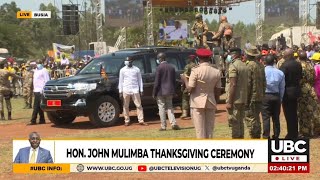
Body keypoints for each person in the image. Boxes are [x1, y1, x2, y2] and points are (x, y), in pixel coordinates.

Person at [183, 49, 221, 138]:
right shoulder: (216, 71)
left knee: (200, 131)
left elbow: (190, 89)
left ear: (198, 58)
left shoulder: (195, 70)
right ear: (209, 58)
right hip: (211, 101)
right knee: (209, 130)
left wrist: (185, 80)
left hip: (197, 102)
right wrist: (215, 99)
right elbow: (218, 90)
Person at [153, 53, 180, 131]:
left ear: (160, 59)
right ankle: (173, 123)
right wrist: (173, 90)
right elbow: (174, 81)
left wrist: (154, 92)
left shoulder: (159, 68)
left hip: (160, 92)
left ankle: (163, 126)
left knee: (161, 108)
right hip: (169, 91)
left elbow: (157, 82)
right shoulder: (171, 67)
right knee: (170, 107)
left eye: (158, 58)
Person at [226, 48, 249, 139]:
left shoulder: (233, 66)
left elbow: (233, 84)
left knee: (235, 123)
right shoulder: (244, 65)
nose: (229, 57)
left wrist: (229, 102)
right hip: (243, 98)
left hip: (235, 99)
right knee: (240, 123)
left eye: (230, 55)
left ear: (234, 55)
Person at [279, 48, 302, 139]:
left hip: (287, 92)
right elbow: (300, 76)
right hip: (296, 90)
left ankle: (291, 134)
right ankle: (295, 133)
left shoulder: (284, 65)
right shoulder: (298, 64)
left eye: (284, 54)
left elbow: (281, 78)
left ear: (286, 55)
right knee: (294, 113)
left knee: (289, 114)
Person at [118, 57, 147, 126]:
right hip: (126, 90)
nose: (127, 62)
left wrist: (141, 89)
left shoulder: (136, 69)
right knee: (125, 106)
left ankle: (141, 120)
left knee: (139, 105)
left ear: (131, 61)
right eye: (126, 61)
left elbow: (140, 80)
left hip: (135, 89)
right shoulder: (122, 70)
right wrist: (120, 91)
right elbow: (121, 81)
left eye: (128, 61)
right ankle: (127, 120)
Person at [261, 55, 285, 139]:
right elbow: (282, 87)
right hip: (276, 96)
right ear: (274, 62)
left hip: (265, 96)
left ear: (264, 62)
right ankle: (276, 135)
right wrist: (280, 98)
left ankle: (266, 136)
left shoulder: (262, 72)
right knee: (276, 118)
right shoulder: (280, 72)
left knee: (265, 117)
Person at [297, 51, 320, 138]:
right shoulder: (310, 65)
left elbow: (299, 78)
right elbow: (314, 77)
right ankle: (316, 130)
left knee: (303, 112)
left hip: (303, 90)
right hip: (311, 88)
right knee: (314, 110)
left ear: (299, 57)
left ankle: (305, 132)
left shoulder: (299, 66)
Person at [244, 47, 266, 139]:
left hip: (251, 97)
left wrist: (246, 99)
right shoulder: (260, 65)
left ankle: (254, 137)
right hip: (260, 96)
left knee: (251, 118)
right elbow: (264, 82)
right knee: (256, 118)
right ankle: (257, 135)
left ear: (248, 55)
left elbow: (248, 84)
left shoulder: (248, 66)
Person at [29, 60, 50, 125]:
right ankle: (42, 119)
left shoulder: (44, 70)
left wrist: (44, 90)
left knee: (36, 106)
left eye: (39, 63)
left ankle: (33, 120)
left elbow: (47, 80)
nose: (37, 65)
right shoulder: (36, 71)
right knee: (39, 106)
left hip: (41, 90)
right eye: (37, 63)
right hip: (36, 90)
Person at [180, 55, 197, 119]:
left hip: (189, 84)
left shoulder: (188, 66)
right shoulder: (197, 66)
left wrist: (183, 84)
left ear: (190, 59)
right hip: (196, 84)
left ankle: (185, 113)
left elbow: (185, 75)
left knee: (185, 98)